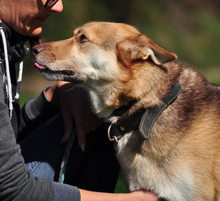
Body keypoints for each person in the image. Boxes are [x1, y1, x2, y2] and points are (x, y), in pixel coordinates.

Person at [0, 0, 160, 200]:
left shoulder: (6, 41)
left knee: (92, 113)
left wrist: (56, 96)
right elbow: (11, 187)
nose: (58, 7)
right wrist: (133, 200)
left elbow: (7, 138)